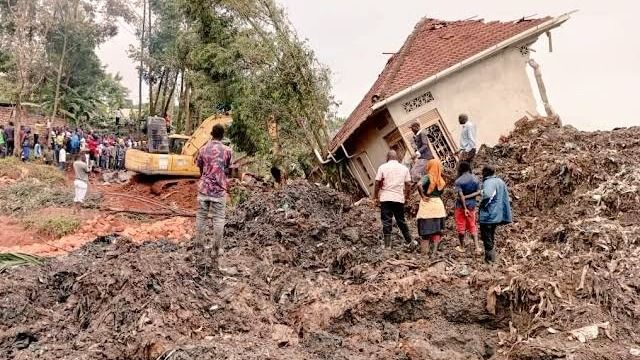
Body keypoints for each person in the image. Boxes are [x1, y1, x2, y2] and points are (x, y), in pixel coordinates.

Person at [195, 124, 233, 261]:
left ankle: (198, 248)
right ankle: (216, 250)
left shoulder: (203, 149)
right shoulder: (227, 151)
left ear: (211, 134)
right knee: (218, 220)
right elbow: (228, 169)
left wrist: (204, 178)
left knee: (201, 218)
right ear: (222, 135)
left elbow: (199, 167)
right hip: (219, 190)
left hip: (204, 189)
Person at [466, 165, 513, 263]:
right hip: (497, 215)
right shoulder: (500, 181)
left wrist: (482, 205)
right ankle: (491, 258)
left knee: (486, 237)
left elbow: (488, 195)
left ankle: (490, 261)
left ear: (485, 173)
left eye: (483, 172)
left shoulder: (488, 182)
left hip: (489, 215)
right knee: (491, 235)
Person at [373, 150, 412, 248]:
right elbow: (408, 184)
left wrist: (375, 196)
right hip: (398, 198)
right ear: (397, 158)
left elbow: (377, 182)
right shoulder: (404, 169)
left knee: (386, 221)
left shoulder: (382, 167)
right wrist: (407, 196)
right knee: (401, 220)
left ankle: (387, 246)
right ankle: (409, 241)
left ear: (387, 157)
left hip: (386, 197)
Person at [416, 159, 447, 257]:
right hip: (438, 206)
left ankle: (424, 254)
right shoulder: (441, 180)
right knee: (437, 231)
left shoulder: (428, 177)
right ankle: (433, 253)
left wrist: (422, 196)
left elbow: (419, 184)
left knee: (425, 232)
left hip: (428, 206)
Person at [454, 161, 481, 255]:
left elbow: (461, 196)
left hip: (461, 207)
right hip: (472, 206)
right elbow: (479, 192)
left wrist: (465, 207)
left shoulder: (459, 181)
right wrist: (469, 197)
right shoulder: (476, 179)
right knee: (472, 225)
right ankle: (477, 247)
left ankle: (462, 247)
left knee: (461, 226)